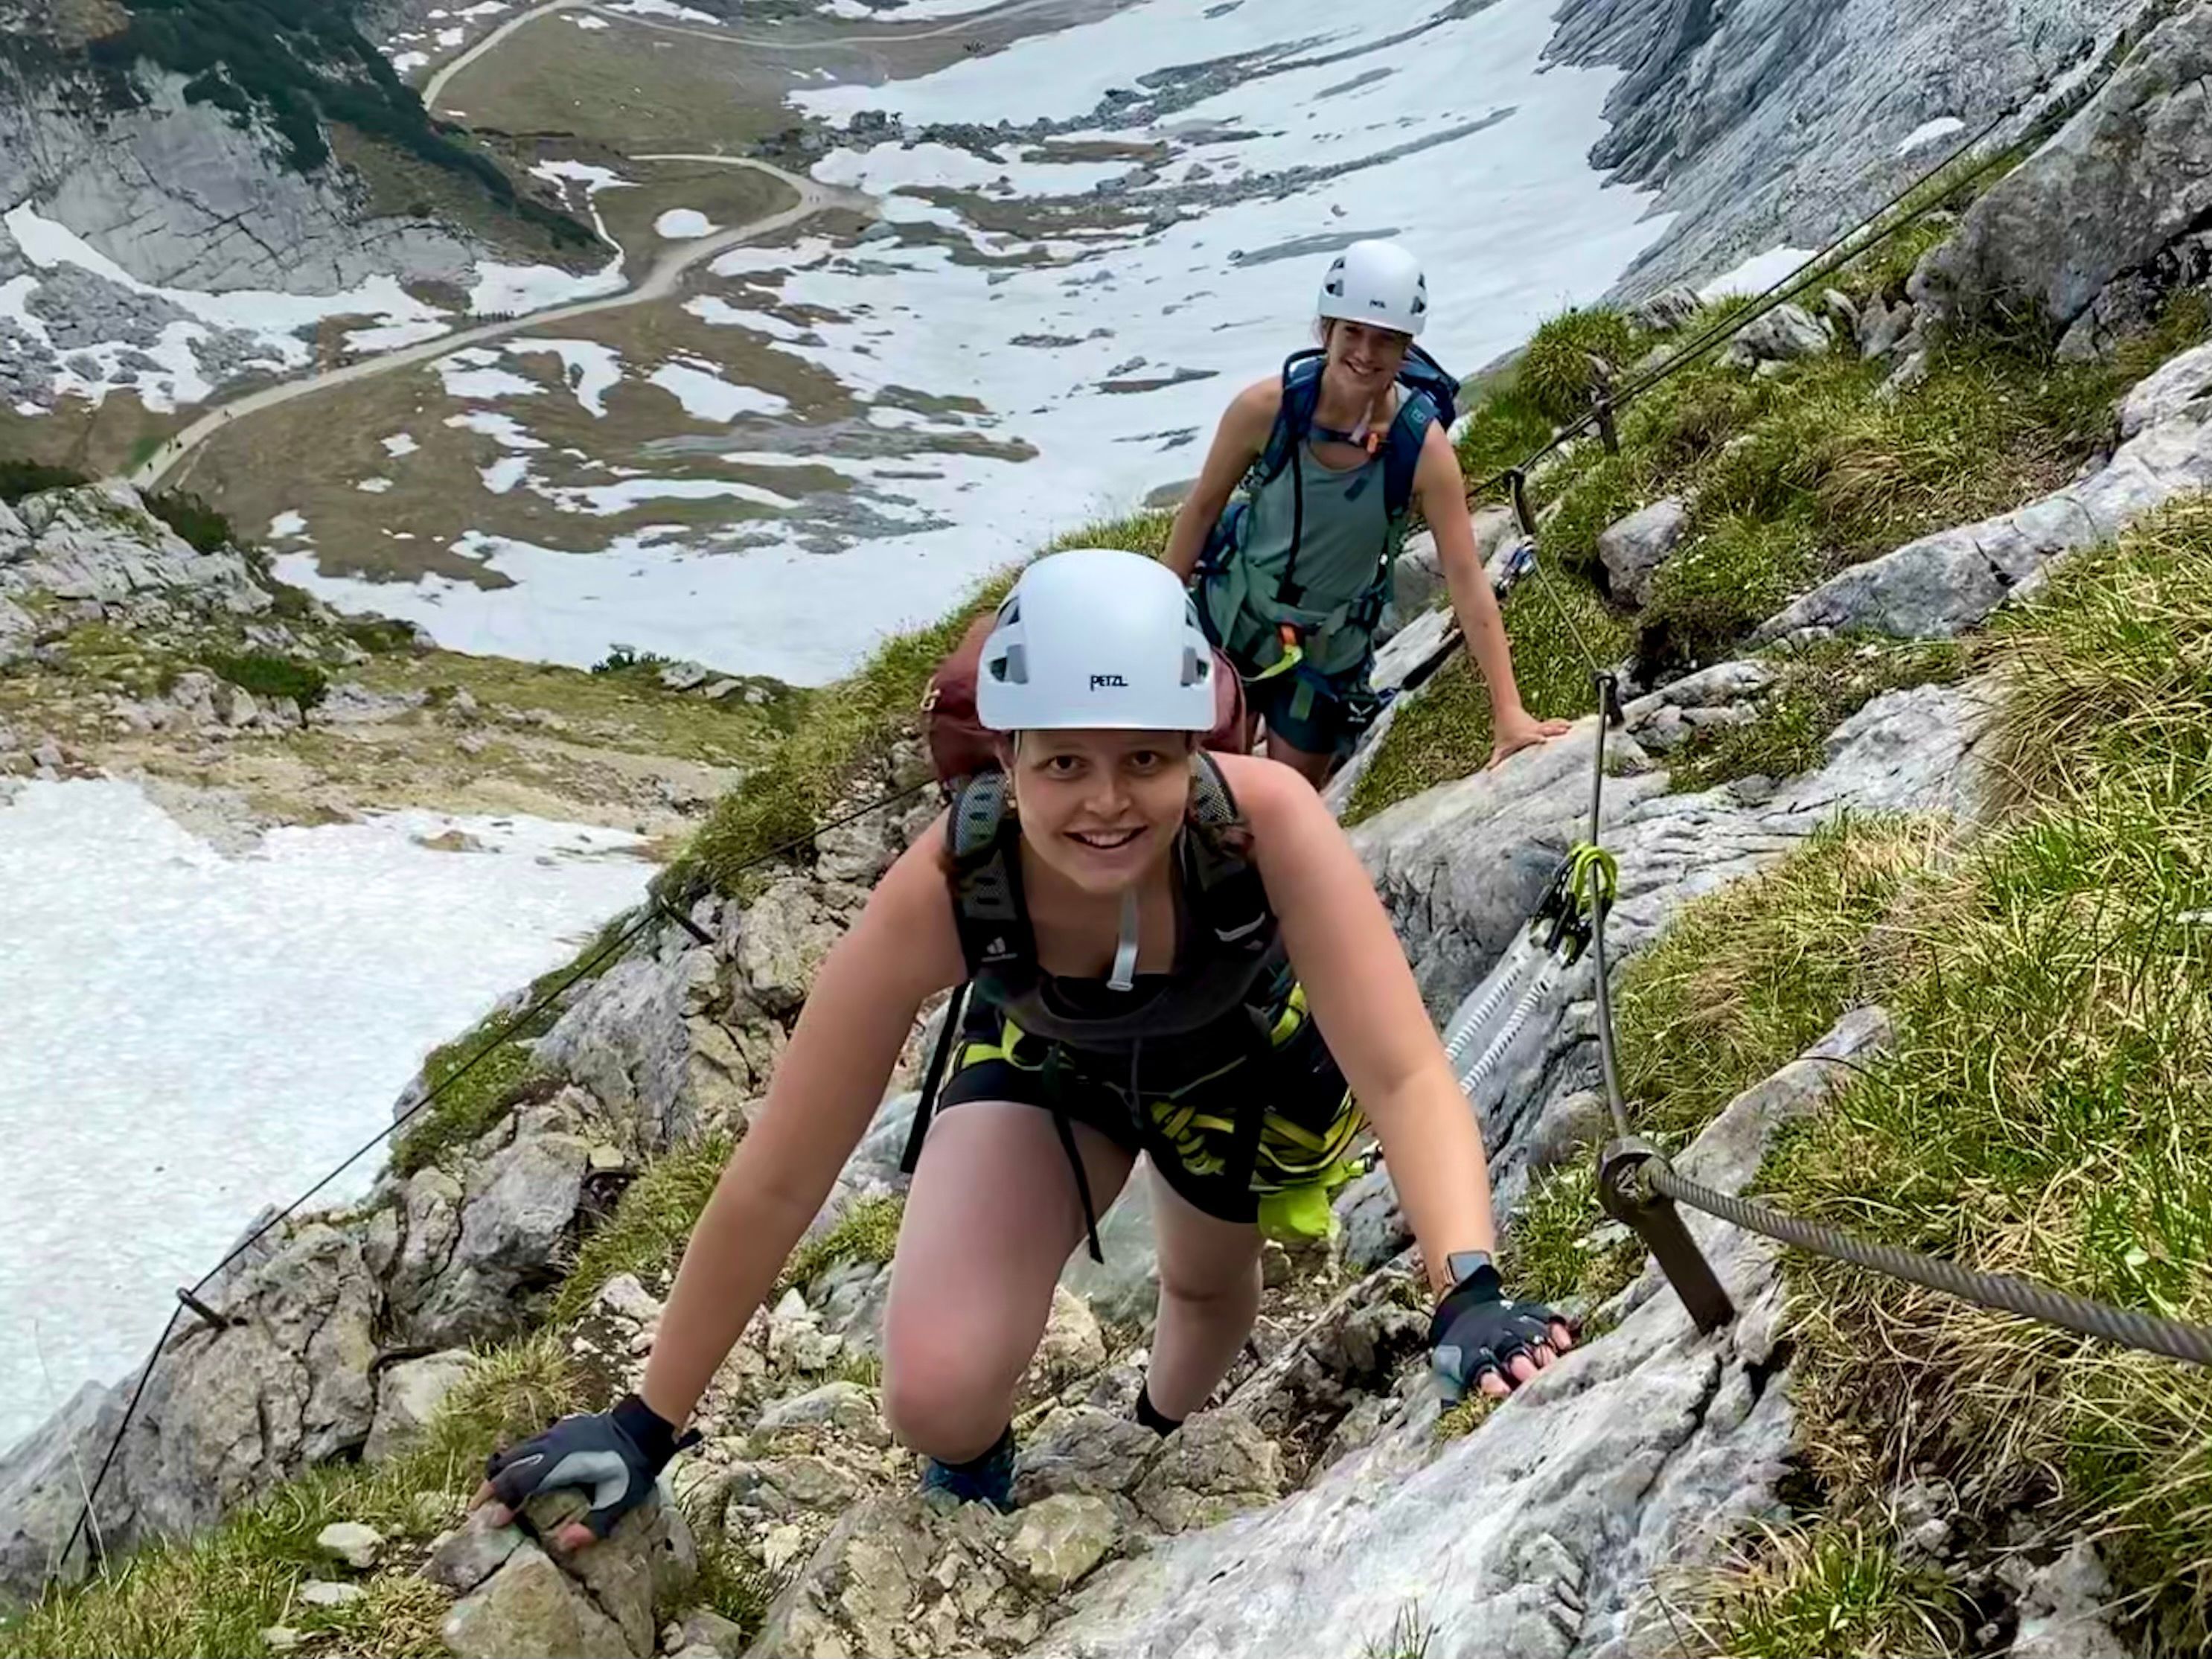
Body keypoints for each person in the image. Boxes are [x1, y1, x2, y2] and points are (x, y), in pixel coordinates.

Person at [473, 549, 1574, 1539]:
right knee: (935, 1390)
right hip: (1055, 1061)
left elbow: (1401, 1068)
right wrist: (645, 1424)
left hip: (1231, 1059)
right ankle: (984, 1482)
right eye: (1063, 766)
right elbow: (780, 1173)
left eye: (1145, 758)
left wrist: (1467, 1287)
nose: (1108, 803)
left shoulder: (1270, 821)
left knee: (1207, 1293)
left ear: (1197, 743)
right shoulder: (947, 889)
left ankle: (1153, 1445)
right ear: (1007, 753)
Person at [1162, 240, 1570, 786]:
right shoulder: (1267, 410)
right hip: (1230, 619)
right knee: (1197, 792)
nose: (1365, 351)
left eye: (1385, 339)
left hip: (1324, 655)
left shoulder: (1420, 448)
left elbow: (1467, 577)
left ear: (1407, 348)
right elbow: (1202, 510)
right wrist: (1157, 624)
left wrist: (1509, 712)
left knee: (1285, 806)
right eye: (1352, 331)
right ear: (1325, 329)